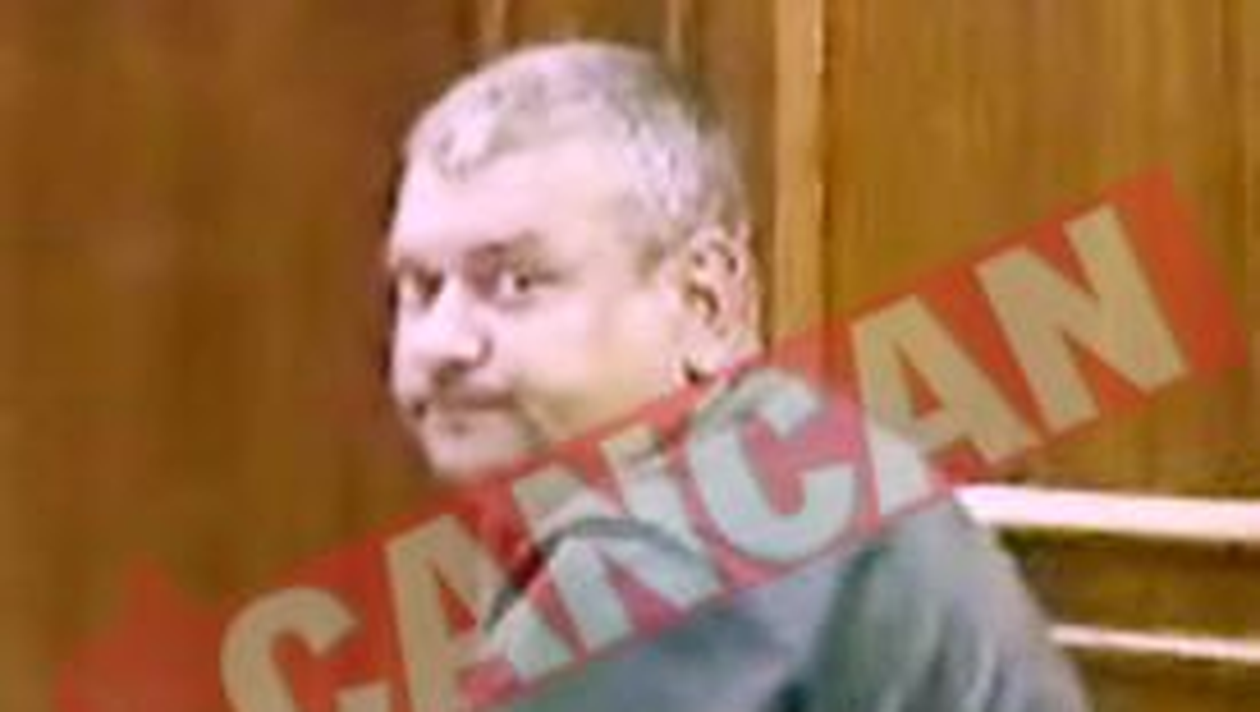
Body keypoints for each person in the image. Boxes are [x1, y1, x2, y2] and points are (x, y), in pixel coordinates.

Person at [384, 40, 1090, 711]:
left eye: (516, 282)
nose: (441, 342)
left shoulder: (653, 565)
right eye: (419, 288)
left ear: (706, 303)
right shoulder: (777, 453)